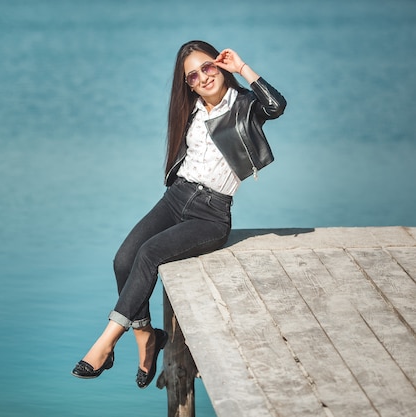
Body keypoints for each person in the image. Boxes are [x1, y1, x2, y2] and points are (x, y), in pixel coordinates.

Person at [71, 40, 286, 388]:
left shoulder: (245, 105)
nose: (203, 78)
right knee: (123, 260)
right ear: (186, 84)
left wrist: (242, 68)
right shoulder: (192, 110)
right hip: (176, 198)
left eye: (208, 67)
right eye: (193, 76)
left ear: (219, 66)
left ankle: (105, 342)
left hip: (211, 215)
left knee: (150, 254)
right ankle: (147, 337)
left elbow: (276, 106)